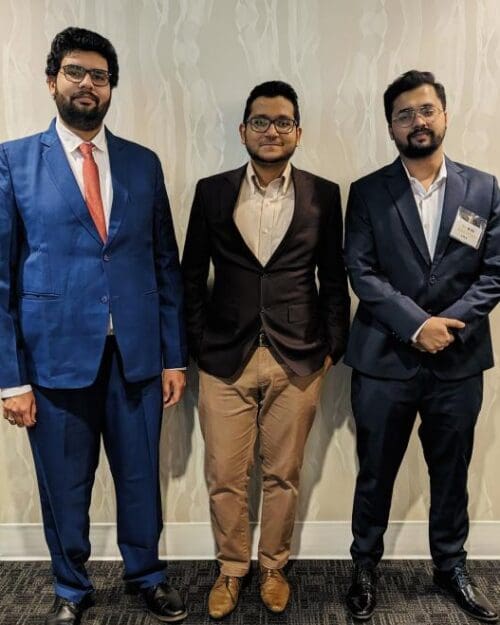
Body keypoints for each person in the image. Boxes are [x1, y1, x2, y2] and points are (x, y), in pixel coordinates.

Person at [0, 27, 188, 625]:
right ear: (52, 79)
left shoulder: (142, 163)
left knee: (139, 478)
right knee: (65, 484)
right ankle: (71, 587)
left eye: (99, 76)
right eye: (76, 72)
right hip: (52, 360)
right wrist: (10, 379)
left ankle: (147, 575)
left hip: (135, 355)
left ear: (111, 89)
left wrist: (173, 356)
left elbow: (165, 265)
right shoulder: (14, 160)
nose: (88, 84)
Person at [182, 80, 350, 619]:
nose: (271, 131)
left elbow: (332, 276)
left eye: (282, 122)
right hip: (223, 358)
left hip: (297, 357)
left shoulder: (324, 194)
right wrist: (197, 343)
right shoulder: (211, 191)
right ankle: (232, 569)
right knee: (225, 475)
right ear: (243, 130)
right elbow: (191, 277)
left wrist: (332, 348)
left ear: (298, 132)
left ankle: (274, 563)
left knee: (283, 473)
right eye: (260, 121)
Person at [344, 70, 500, 623]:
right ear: (391, 126)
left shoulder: (484, 188)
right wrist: (416, 326)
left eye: (426, 110)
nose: (417, 121)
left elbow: (494, 273)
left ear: (445, 115)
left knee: (451, 471)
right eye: (405, 114)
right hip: (383, 360)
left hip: (457, 363)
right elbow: (361, 273)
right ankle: (364, 564)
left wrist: (445, 326)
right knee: (374, 471)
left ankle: (450, 564)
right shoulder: (366, 192)